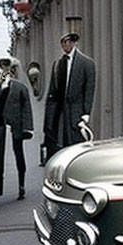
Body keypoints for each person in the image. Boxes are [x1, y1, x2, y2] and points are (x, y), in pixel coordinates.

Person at [44, 32, 96, 160]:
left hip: (76, 110)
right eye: (63, 42)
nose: (66, 45)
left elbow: (89, 89)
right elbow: (53, 91)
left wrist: (86, 112)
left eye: (68, 42)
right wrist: (49, 118)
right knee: (59, 142)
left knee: (76, 142)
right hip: (60, 110)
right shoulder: (58, 64)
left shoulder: (86, 63)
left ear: (74, 43)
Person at [0, 57, 34, 201]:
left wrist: (28, 128)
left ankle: (21, 185)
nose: (5, 69)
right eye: (3, 66)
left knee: (19, 155)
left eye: (7, 66)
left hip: (16, 125)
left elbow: (26, 108)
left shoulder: (20, 87)